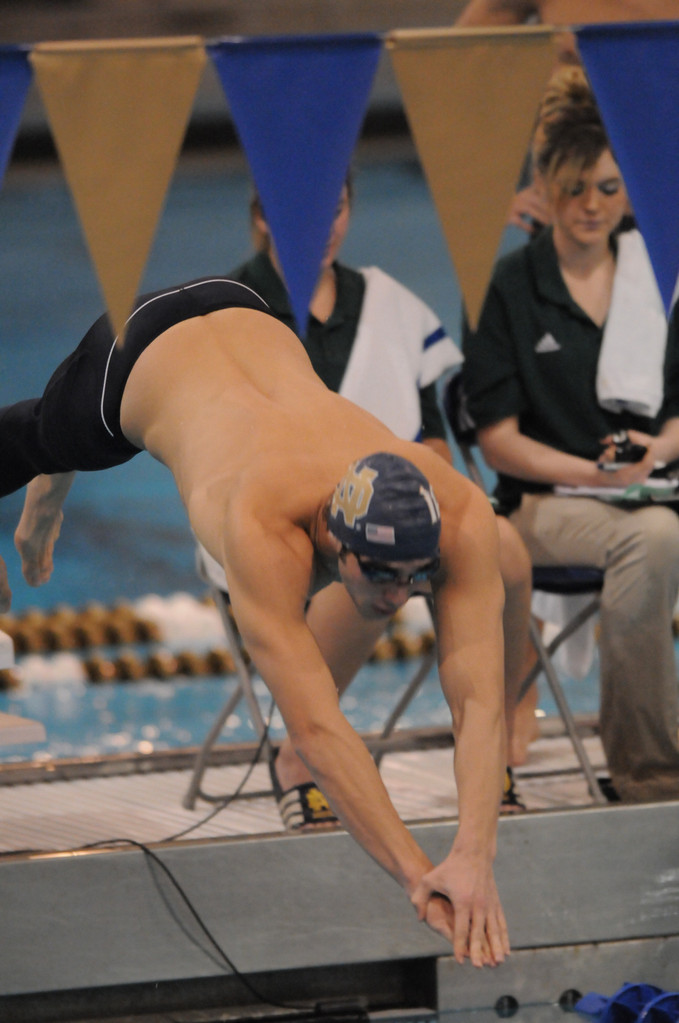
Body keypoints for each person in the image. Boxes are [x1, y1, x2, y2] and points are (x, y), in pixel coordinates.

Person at [1, 275, 510, 965]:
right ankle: (49, 485)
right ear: (333, 538)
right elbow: (317, 730)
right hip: (139, 355)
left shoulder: (460, 511)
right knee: (43, 438)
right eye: (382, 576)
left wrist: (473, 855)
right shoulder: (264, 526)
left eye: (415, 576)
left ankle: (51, 476)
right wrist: (417, 875)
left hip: (249, 311)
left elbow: (479, 698)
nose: (399, 598)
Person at [226, 179, 534, 814]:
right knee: (373, 551)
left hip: (395, 509)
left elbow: (434, 443)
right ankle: (299, 752)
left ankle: (493, 737)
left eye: (335, 206)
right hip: (281, 527)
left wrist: (419, 502)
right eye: (303, 205)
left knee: (501, 547)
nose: (324, 223)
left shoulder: (388, 304)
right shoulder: (232, 310)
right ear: (262, 214)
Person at [462, 65, 679, 804]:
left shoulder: (657, 273)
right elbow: (496, 440)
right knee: (652, 539)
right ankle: (650, 773)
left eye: (609, 189)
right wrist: (593, 475)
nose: (592, 205)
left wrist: (656, 451)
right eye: (574, 188)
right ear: (545, 188)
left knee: (653, 528)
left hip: (651, 487)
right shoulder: (508, 286)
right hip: (542, 506)